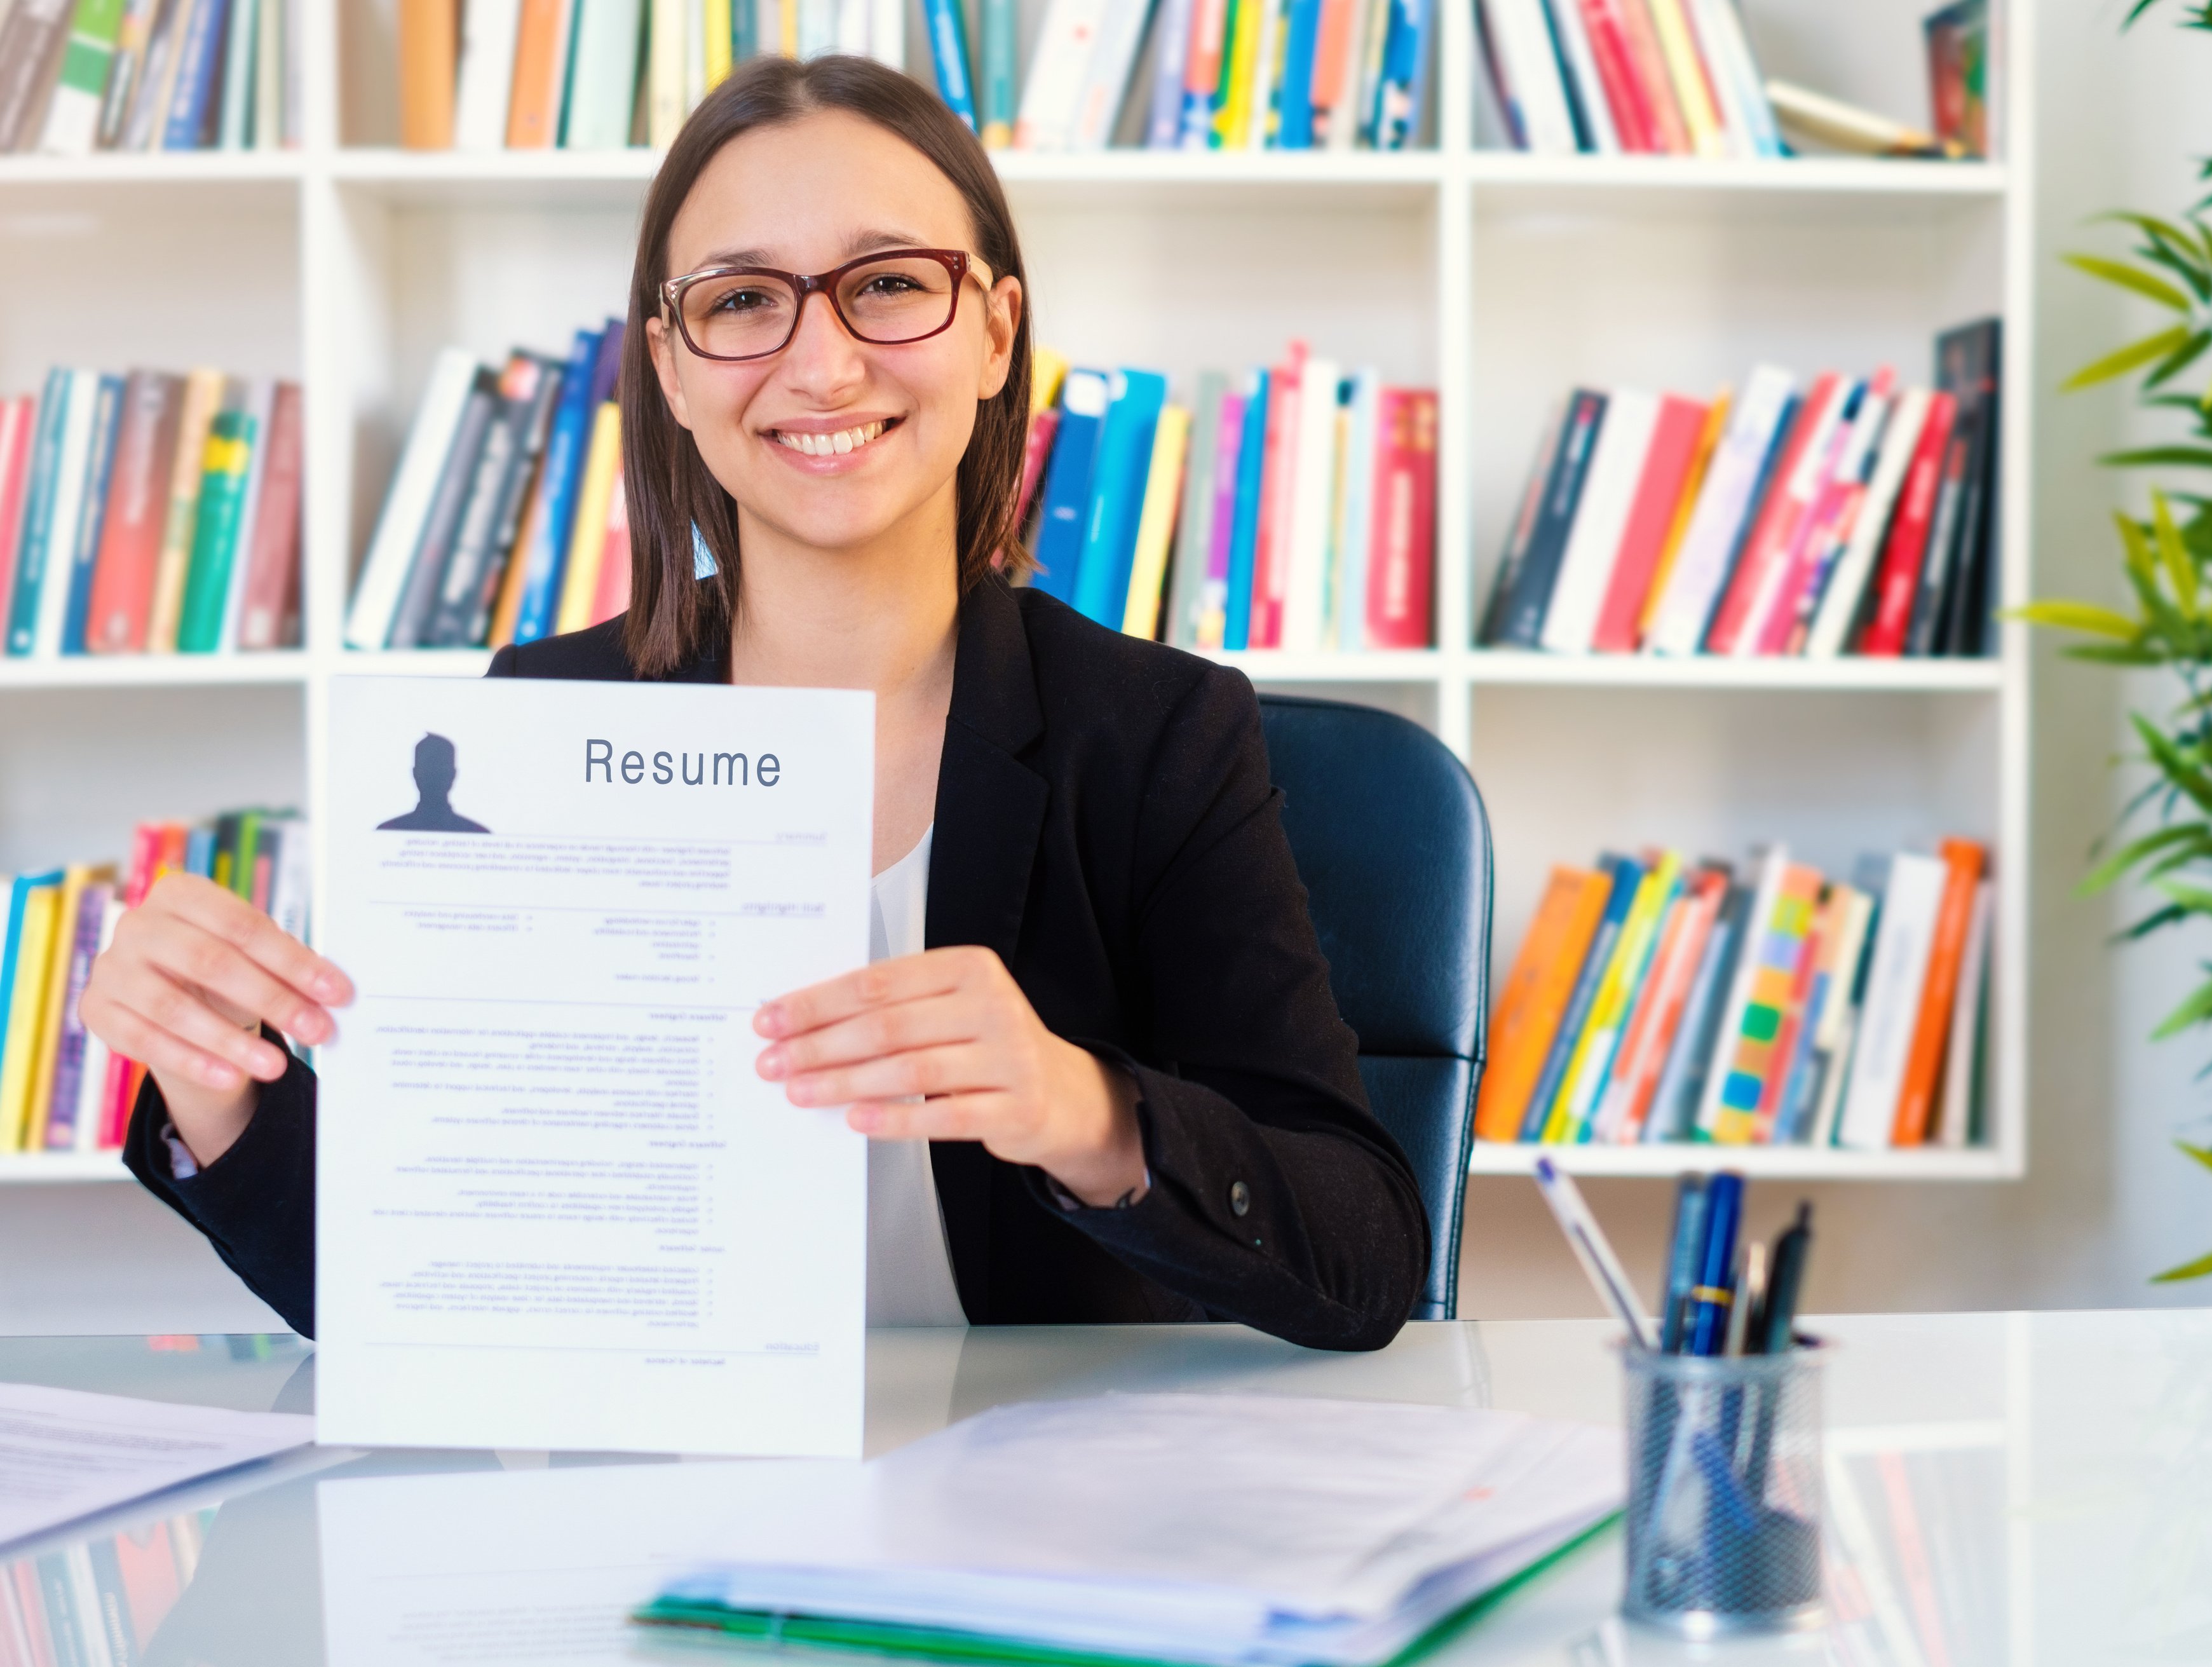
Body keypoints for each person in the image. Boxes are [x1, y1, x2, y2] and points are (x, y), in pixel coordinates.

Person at [81, 55, 1426, 1352]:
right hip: (656, 1506)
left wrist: (1087, 1110)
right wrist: (215, 1077)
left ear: (997, 334)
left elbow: (1364, 1256)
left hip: (1043, 1520)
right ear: (666, 364)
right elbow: (416, 1288)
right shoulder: (537, 726)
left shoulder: (1157, 736)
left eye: (890, 285)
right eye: (740, 302)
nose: (822, 364)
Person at [374, 733, 489, 832]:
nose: (434, 777)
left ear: (453, 774)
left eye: (440, 770)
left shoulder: (478, 834)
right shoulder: (388, 832)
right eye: (429, 770)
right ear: (415, 773)